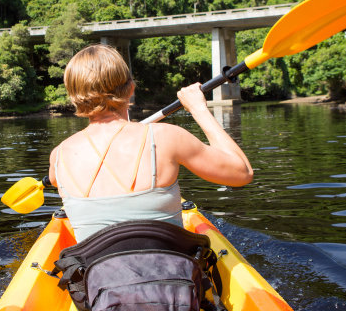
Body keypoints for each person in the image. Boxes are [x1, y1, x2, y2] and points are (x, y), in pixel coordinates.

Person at [49, 44, 253, 242]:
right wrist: (199, 109)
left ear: (74, 97)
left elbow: (56, 180)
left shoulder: (59, 156)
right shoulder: (167, 137)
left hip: (99, 275)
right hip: (170, 272)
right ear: (131, 88)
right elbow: (241, 174)